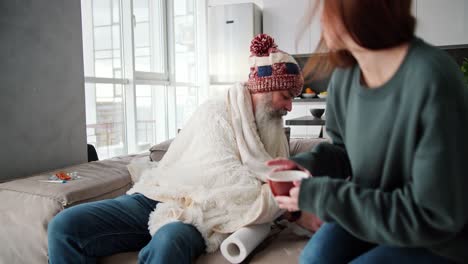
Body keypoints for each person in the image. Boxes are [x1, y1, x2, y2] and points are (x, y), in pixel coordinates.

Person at [47, 34, 305, 263]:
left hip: (202, 217)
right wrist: (270, 197)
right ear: (264, 88)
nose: (289, 108)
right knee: (65, 226)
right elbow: (220, 175)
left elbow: (276, 187)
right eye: (286, 97)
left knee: (169, 242)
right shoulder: (215, 112)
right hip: (158, 196)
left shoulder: (275, 134)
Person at [267, 0, 468, 263]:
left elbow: (432, 215)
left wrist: (324, 196)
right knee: (313, 259)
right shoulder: (345, 76)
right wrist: (305, 167)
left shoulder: (432, 78)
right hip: (372, 214)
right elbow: (342, 150)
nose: (321, 21)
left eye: (328, 9)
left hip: (435, 238)